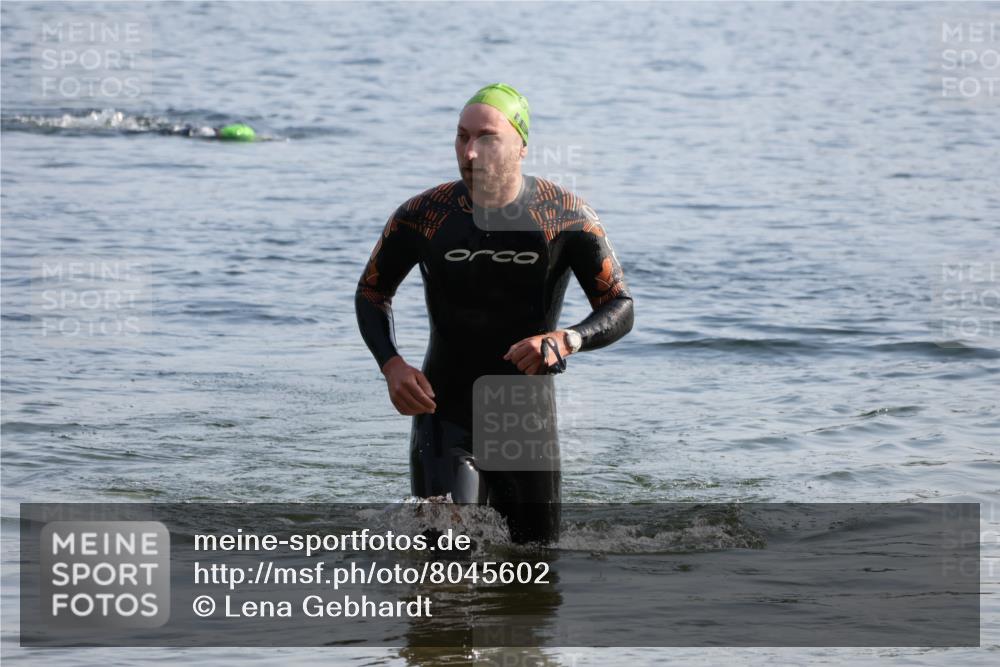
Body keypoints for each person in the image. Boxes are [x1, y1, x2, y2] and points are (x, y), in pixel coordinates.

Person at [355, 83, 633, 543]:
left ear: (521, 146)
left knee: (536, 566)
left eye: (487, 138)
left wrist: (567, 340)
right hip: (443, 413)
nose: (470, 152)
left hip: (525, 426)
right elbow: (372, 291)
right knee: (445, 553)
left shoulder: (566, 216)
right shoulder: (423, 215)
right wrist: (391, 364)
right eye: (462, 136)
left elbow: (619, 305)